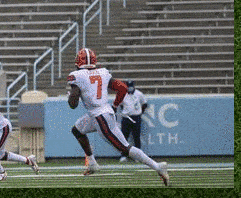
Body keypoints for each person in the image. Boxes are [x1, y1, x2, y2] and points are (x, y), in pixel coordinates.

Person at [67, 48, 169, 186]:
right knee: (77, 130)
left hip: (100, 117)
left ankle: (157, 166)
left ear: (78, 61)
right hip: (99, 113)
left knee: (124, 148)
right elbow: (123, 88)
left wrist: (71, 97)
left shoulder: (77, 76)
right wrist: (114, 105)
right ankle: (92, 163)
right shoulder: (103, 72)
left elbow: (73, 105)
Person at [117, 80, 148, 162]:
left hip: (136, 117)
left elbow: (144, 104)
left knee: (136, 137)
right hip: (126, 117)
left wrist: (140, 113)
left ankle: (138, 157)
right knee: (124, 137)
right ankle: (124, 155)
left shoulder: (139, 94)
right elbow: (120, 105)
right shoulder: (123, 93)